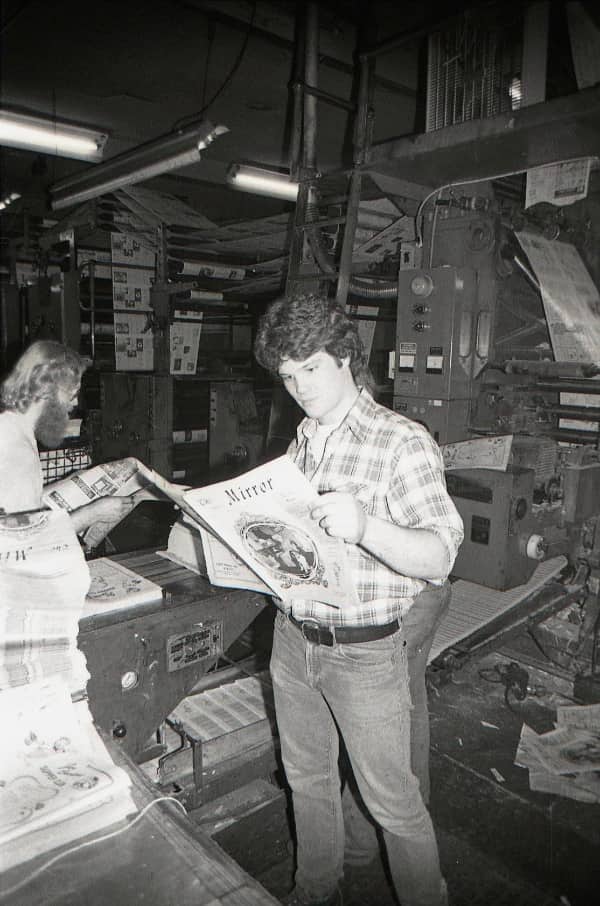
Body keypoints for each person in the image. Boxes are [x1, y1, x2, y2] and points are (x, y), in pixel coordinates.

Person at [254, 293, 464, 906]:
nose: (298, 387)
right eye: (287, 376)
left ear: (345, 355)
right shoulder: (303, 438)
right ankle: (315, 888)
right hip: (295, 644)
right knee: (308, 782)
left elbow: (440, 557)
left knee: (392, 802)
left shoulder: (402, 442)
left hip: (366, 653)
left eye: (309, 369)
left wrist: (367, 525)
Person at [0, 340, 136, 536]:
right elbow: (27, 541)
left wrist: (68, 483)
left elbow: (16, 507)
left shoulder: (9, 426)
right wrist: (92, 513)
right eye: (71, 394)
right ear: (46, 392)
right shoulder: (18, 451)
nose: (75, 403)